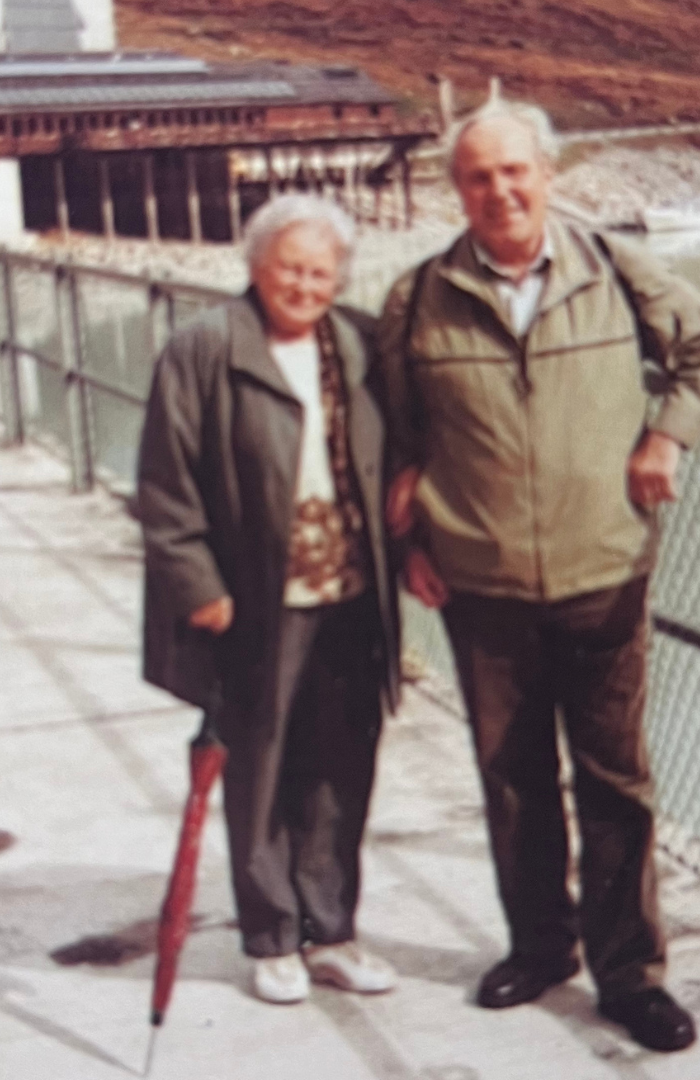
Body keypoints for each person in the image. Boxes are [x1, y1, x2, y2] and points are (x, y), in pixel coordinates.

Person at [376, 100, 700, 1052]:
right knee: (512, 779)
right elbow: (396, 434)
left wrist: (669, 432)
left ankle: (630, 974)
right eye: (477, 177)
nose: (499, 191)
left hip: (604, 569)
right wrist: (411, 541)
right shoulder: (417, 296)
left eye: (515, 171)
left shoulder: (616, 270)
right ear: (453, 189)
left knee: (615, 780)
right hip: (480, 580)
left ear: (549, 173)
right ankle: (541, 947)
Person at [138, 194, 400, 1006]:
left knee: (341, 764)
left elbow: (405, 442)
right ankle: (272, 934)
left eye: (323, 271)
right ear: (256, 266)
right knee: (259, 762)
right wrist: (198, 585)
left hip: (351, 591)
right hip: (254, 596)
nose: (306, 284)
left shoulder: (357, 340)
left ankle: (333, 930)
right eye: (291, 266)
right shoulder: (205, 347)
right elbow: (165, 483)